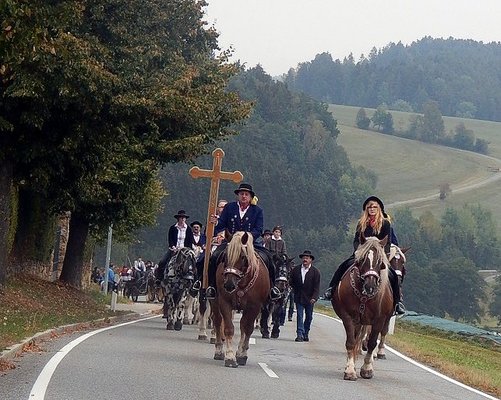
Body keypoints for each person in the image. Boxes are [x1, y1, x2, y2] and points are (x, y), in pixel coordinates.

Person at [324, 196, 405, 315]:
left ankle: (397, 302)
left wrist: (384, 255)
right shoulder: (361, 223)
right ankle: (331, 289)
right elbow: (356, 240)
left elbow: (387, 242)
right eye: (369, 207)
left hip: (378, 254)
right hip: (362, 253)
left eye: (374, 207)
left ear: (379, 209)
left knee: (392, 274)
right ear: (366, 209)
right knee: (343, 266)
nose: (372, 209)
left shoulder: (385, 223)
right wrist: (359, 251)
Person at [205, 183, 281, 301]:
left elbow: (258, 229)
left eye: (246, 194)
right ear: (238, 196)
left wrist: (248, 238)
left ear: (250, 197)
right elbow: (222, 224)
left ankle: (272, 288)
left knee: (268, 258)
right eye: (241, 194)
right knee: (214, 257)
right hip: (230, 242)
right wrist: (215, 222)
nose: (244, 196)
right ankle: (212, 286)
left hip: (250, 243)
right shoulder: (229, 207)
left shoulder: (257, 210)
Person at [156, 210, 195, 282]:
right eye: (181, 217)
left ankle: (193, 279)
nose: (183, 219)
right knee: (162, 262)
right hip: (174, 249)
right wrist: (173, 247)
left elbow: (190, 240)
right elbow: (170, 239)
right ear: (178, 219)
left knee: (193, 261)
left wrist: (187, 249)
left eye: (184, 218)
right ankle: (159, 278)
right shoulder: (173, 228)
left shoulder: (188, 229)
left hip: (185, 250)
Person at [289, 250, 320, 342]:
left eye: (307, 258)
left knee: (309, 316)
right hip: (299, 297)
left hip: (310, 298)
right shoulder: (296, 270)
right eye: (304, 258)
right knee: (299, 315)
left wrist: (314, 297)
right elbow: (291, 282)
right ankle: (299, 334)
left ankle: (306, 333)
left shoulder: (315, 272)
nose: (305, 259)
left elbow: (317, 287)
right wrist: (295, 290)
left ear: (311, 260)